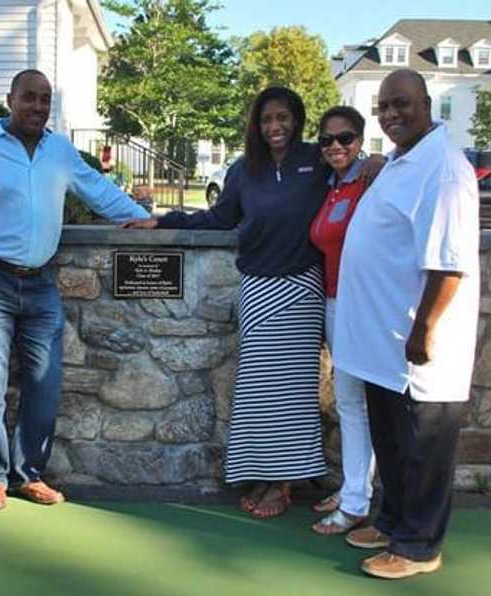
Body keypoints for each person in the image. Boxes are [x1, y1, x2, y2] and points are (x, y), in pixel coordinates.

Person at [127, 87, 341, 518]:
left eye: (282, 118)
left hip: (302, 288)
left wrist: (376, 163)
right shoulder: (245, 170)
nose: (275, 127)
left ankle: (281, 482)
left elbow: (352, 174)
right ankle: (262, 472)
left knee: (291, 392)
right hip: (258, 289)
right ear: (256, 126)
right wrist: (164, 220)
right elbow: (220, 218)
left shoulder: (316, 162)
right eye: (266, 120)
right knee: (258, 390)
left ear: (296, 119)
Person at [0, 69, 150, 510]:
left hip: (41, 281)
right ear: (10, 99)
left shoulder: (59, 151)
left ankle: (28, 473)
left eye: (45, 99)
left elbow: (99, 191)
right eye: (30, 97)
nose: (38, 107)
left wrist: (149, 218)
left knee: (45, 381)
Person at [334, 69, 479, 579]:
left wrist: (425, 333)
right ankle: (393, 521)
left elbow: (448, 263)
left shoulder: (441, 169)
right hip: (383, 343)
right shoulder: (401, 162)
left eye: (401, 104)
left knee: (423, 449)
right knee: (393, 445)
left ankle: (418, 547)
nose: (391, 114)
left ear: (426, 103)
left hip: (418, 346)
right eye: (383, 107)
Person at [309, 106, 375, 535]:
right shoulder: (331, 186)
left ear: (361, 140)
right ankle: (356, 489)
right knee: (352, 404)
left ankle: (356, 502)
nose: (336, 146)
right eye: (327, 139)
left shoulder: (371, 180)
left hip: (362, 306)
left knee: (357, 404)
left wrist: (378, 163)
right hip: (335, 303)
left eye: (346, 138)